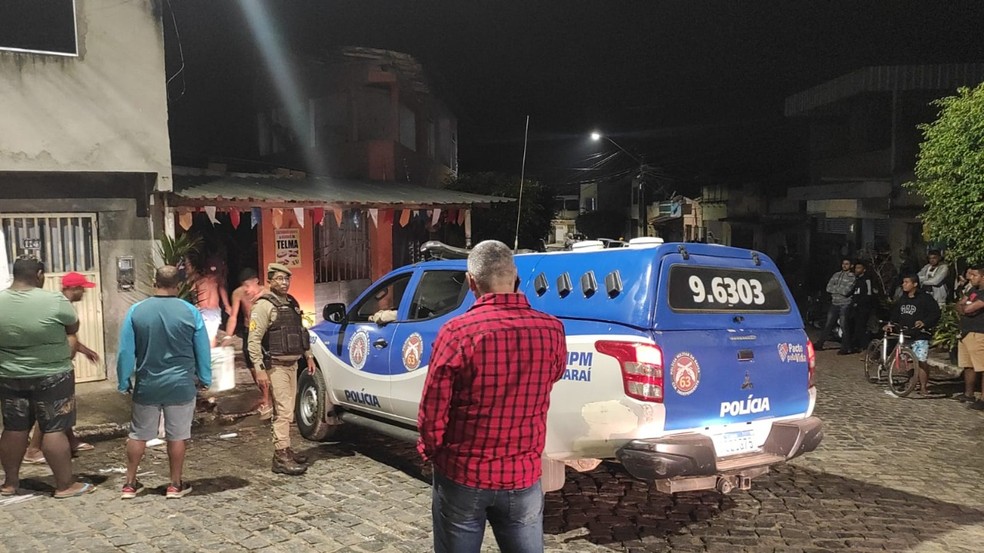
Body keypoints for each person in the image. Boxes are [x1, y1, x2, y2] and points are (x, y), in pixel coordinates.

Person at [417, 240, 567, 553]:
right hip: (523, 474)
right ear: (516, 278)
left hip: (462, 473)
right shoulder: (552, 329)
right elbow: (553, 375)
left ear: (472, 283)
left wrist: (431, 450)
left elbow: (433, 407)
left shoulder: (457, 331)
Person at [0, 258, 95, 498]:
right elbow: (72, 327)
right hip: (51, 374)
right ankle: (64, 485)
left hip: (9, 374)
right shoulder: (54, 300)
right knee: (54, 428)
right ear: (40, 274)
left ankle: (10, 483)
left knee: (14, 427)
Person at [116, 266, 212, 499]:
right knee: (177, 435)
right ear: (178, 285)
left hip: (148, 383)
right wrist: (205, 377)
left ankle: (129, 483)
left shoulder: (136, 311)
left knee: (138, 434)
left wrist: (123, 380)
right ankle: (175, 484)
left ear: (154, 281)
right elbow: (202, 349)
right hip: (180, 383)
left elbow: (126, 352)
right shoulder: (191, 312)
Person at [23, 272, 99, 464]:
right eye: (83, 288)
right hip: (55, 366)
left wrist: (84, 350)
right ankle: (33, 449)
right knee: (52, 407)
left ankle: (71, 440)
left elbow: (67, 335)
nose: (84, 293)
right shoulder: (57, 305)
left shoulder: (63, 306)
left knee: (65, 405)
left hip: (63, 363)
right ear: (74, 288)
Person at [247, 263, 315, 476]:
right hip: (275, 366)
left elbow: (300, 331)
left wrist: (309, 355)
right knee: (284, 411)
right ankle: (280, 456)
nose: (284, 283)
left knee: (288, 410)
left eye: (287, 279)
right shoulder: (263, 306)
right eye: (279, 279)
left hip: (292, 363)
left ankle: (285, 449)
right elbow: (254, 340)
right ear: (270, 280)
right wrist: (259, 369)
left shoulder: (291, 303)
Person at [224, 268, 272, 419]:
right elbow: (233, 316)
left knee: (266, 365)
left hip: (265, 332)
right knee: (252, 367)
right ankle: (266, 396)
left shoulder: (267, 293)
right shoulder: (238, 293)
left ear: (256, 282)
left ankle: (268, 398)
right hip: (248, 331)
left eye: (248, 285)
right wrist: (227, 337)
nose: (246, 289)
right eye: (244, 285)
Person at [884, 274, 940, 395]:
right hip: (905, 333)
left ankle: (924, 386)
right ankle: (912, 382)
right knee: (908, 360)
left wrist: (924, 322)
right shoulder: (902, 299)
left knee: (921, 360)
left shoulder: (925, 298)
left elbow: (935, 313)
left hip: (920, 335)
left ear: (915, 284)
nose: (904, 284)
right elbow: (896, 313)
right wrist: (891, 324)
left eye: (907, 282)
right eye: (903, 282)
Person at [954, 266, 984, 409]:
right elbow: (959, 305)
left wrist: (965, 307)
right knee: (968, 365)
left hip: (978, 333)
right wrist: (965, 307)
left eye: (974, 275)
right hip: (965, 332)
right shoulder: (973, 290)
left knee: (982, 367)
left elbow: (968, 308)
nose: (970, 278)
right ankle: (969, 394)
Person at [839, 259, 876, 355]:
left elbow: (869, 294)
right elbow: (853, 291)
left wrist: (860, 303)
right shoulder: (856, 280)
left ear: (864, 269)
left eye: (859, 268)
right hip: (855, 308)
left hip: (863, 308)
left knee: (861, 328)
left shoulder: (867, 280)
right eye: (856, 268)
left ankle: (865, 348)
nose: (857, 269)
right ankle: (852, 346)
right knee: (852, 326)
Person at [816, 258, 855, 351]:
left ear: (851, 265)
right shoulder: (836, 275)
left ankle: (846, 347)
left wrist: (835, 289)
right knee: (828, 324)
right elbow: (828, 288)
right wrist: (839, 290)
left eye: (847, 264)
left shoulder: (852, 277)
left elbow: (846, 291)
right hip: (834, 303)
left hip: (845, 304)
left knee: (843, 325)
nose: (844, 265)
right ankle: (819, 344)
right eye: (843, 263)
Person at [192, 258, 231, 346]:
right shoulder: (198, 280)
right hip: (201, 310)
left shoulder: (217, 280)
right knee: (203, 333)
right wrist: (195, 304)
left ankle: (210, 355)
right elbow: (193, 291)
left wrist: (227, 305)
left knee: (212, 335)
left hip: (213, 310)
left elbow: (222, 291)